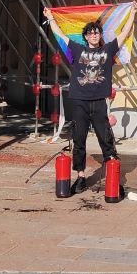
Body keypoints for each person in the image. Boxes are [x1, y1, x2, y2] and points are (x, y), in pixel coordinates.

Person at [56, 16, 121, 195]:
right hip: (79, 102)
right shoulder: (77, 49)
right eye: (90, 33)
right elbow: (60, 34)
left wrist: (132, 12)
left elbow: (124, 33)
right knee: (79, 139)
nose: (94, 35)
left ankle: (113, 177)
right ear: (85, 36)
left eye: (97, 32)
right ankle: (81, 177)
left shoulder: (107, 50)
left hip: (99, 101)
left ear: (100, 35)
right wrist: (48, 17)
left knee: (106, 139)